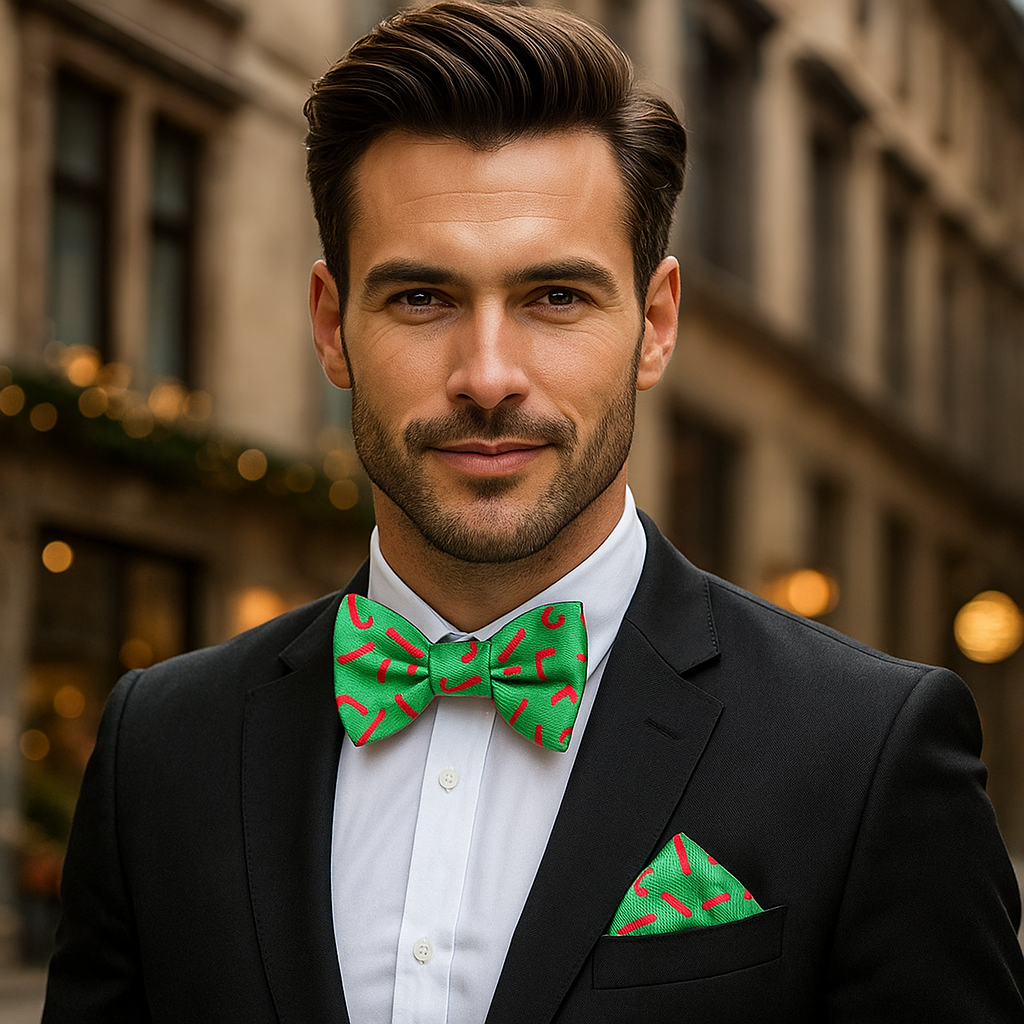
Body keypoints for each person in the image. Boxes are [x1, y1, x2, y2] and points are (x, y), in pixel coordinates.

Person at [43, 2, 1024, 1021]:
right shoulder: (159, 748)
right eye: (420, 297)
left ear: (654, 325)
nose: (487, 376)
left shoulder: (865, 751)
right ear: (333, 327)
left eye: (555, 296)